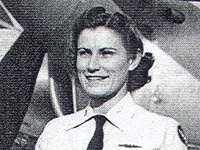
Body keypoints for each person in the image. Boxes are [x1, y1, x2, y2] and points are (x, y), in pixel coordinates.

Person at [35, 7, 188, 150]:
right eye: (84, 53)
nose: (92, 65)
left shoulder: (163, 133)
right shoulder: (54, 132)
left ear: (133, 60)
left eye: (106, 53)